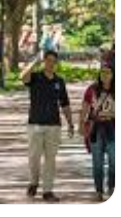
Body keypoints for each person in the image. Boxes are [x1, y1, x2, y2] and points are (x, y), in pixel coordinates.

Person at [22, 51, 74, 203]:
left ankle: (48, 190)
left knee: (51, 159)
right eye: (48, 60)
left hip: (53, 125)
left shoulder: (59, 81)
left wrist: (70, 123)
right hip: (35, 124)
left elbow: (65, 104)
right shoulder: (35, 77)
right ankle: (33, 182)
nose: (51, 64)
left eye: (53, 61)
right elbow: (23, 77)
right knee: (34, 157)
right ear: (44, 61)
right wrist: (34, 62)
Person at [80, 62, 115, 201]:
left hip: (113, 128)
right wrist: (81, 124)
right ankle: (99, 190)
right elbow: (84, 108)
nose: (105, 75)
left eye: (108, 72)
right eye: (102, 72)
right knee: (97, 162)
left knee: (114, 161)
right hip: (96, 129)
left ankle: (111, 187)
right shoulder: (92, 90)